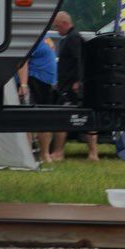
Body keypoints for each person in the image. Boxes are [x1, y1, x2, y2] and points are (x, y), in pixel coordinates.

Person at [52, 12, 99, 162]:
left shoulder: (73, 38)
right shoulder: (71, 37)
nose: (56, 30)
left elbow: (80, 60)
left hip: (71, 87)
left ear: (65, 23)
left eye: (57, 26)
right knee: (86, 118)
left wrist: (78, 81)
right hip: (68, 85)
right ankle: (93, 153)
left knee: (62, 118)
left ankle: (58, 152)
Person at [24, 32, 59, 162]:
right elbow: (24, 61)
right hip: (35, 80)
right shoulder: (31, 38)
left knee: (46, 119)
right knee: (31, 119)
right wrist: (23, 84)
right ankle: (28, 154)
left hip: (48, 83)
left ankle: (45, 154)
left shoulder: (46, 36)